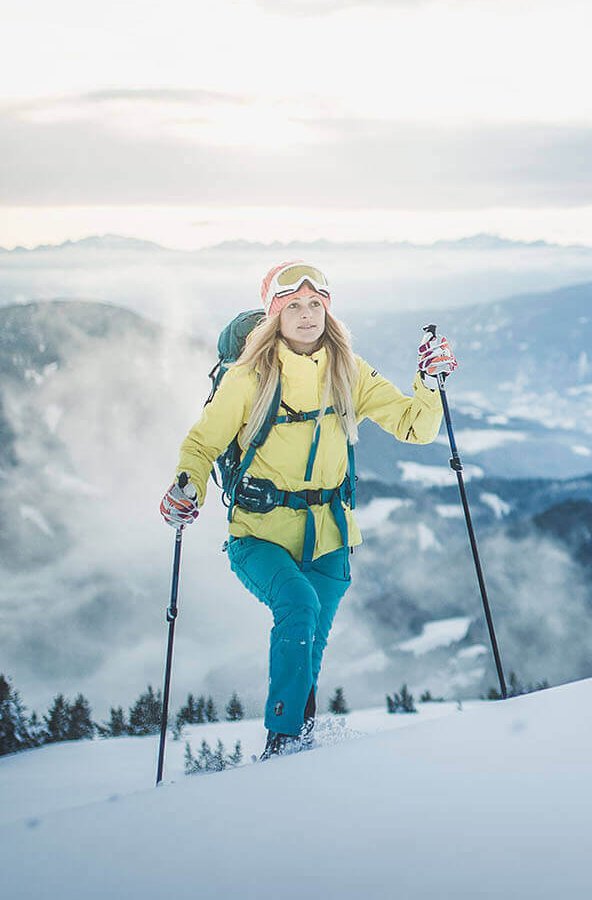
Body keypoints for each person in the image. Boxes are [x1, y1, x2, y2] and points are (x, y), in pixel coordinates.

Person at [159, 261, 459, 759]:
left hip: (330, 534)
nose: (305, 315)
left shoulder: (349, 370)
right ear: (275, 313)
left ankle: (301, 747)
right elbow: (201, 443)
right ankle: (283, 745)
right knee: (298, 607)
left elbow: (415, 427)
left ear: (327, 309)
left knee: (311, 642)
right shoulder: (248, 376)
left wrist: (427, 381)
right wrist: (185, 489)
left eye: (314, 304)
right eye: (293, 305)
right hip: (259, 534)